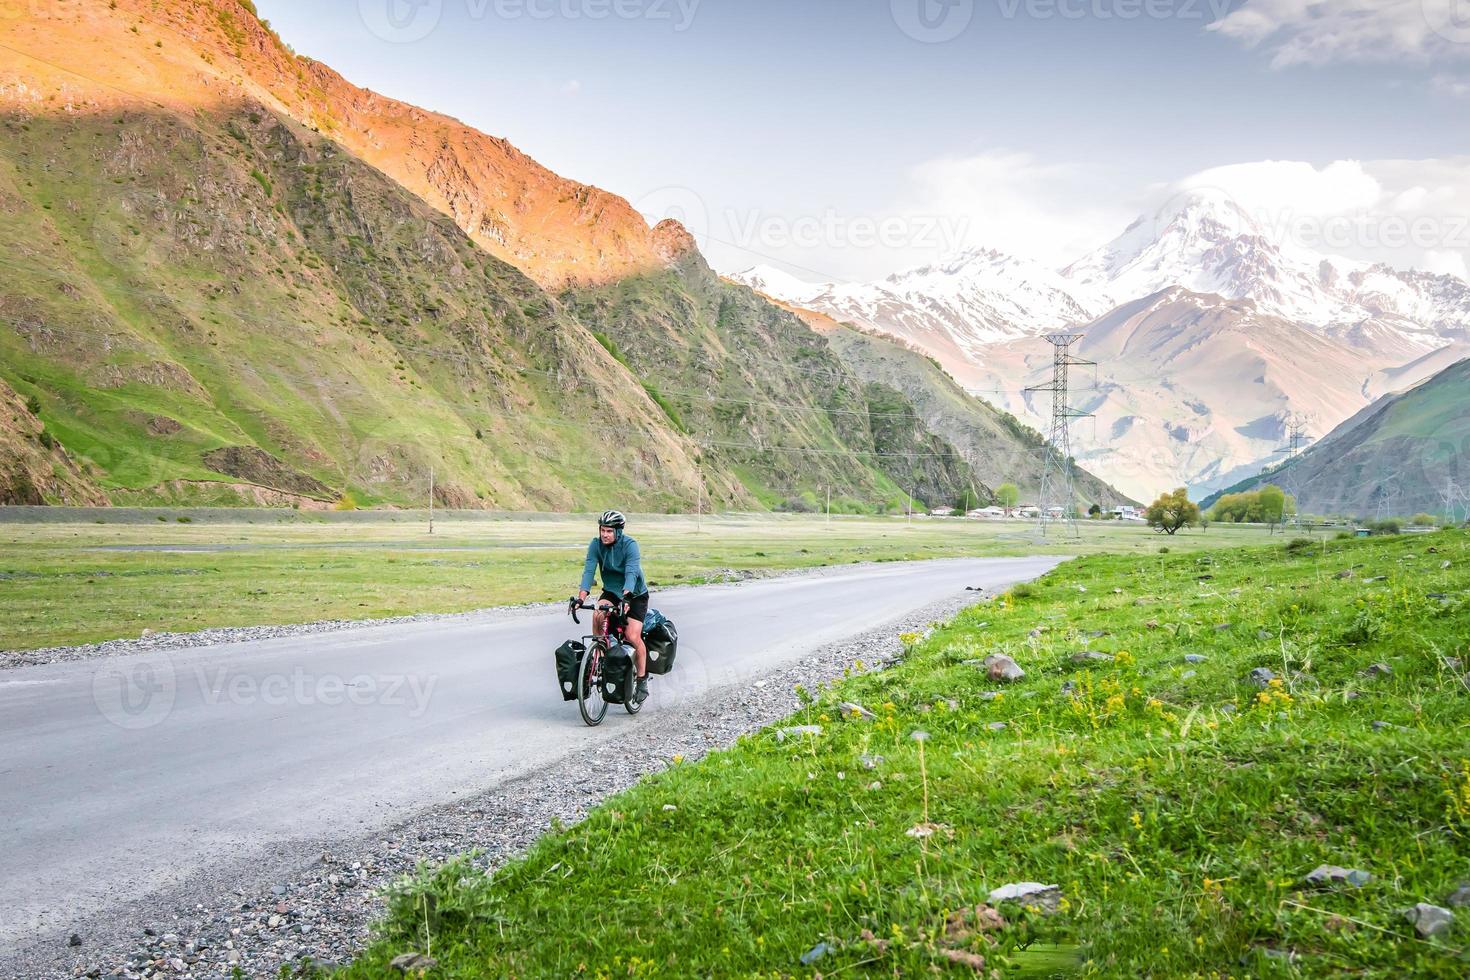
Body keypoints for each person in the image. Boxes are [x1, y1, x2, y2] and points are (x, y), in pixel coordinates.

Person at [577, 510, 652, 703]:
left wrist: (627, 597)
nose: (604, 534)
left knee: (631, 635)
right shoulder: (596, 545)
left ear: (618, 532)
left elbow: (631, 572)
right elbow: (588, 571)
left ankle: (642, 679)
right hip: (611, 591)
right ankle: (599, 657)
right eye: (603, 530)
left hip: (634, 594)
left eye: (609, 531)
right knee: (597, 614)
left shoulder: (630, 546)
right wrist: (581, 598)